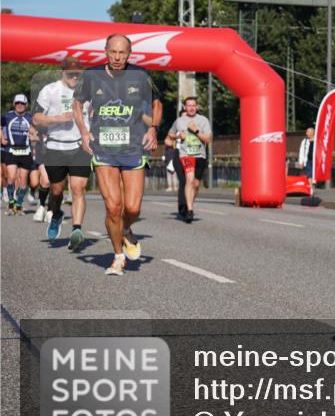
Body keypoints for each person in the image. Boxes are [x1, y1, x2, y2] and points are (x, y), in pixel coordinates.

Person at [74, 34, 161, 276]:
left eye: (122, 53)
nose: (117, 57)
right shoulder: (91, 75)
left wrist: (153, 128)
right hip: (103, 149)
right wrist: (83, 132)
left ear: (129, 53)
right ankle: (118, 257)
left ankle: (124, 230)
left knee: (132, 209)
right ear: (105, 51)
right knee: (113, 207)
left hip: (133, 148)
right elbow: (77, 104)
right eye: (113, 52)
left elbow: (156, 102)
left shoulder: (141, 75)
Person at [33, 58, 91, 248]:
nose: (75, 77)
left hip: (80, 147)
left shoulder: (88, 90)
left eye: (78, 74)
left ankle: (76, 229)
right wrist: (57, 118)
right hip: (56, 147)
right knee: (56, 191)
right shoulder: (50, 90)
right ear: (62, 72)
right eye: (70, 74)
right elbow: (36, 117)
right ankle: (56, 214)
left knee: (77, 189)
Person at [168, 96, 212, 223]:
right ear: (184, 107)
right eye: (189, 105)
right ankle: (190, 210)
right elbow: (170, 133)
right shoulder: (180, 121)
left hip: (200, 155)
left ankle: (189, 203)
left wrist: (196, 131)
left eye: (194, 105)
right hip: (186, 154)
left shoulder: (203, 120)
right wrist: (177, 135)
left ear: (197, 107)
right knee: (189, 179)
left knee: (196, 184)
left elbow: (208, 139)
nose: (191, 108)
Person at [2, 94, 35, 215]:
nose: (19, 105)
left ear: (26, 105)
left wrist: (35, 137)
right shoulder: (7, 116)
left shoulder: (30, 117)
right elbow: (1, 127)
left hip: (26, 151)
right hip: (11, 149)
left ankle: (19, 205)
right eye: (17, 103)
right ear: (14, 104)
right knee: (11, 177)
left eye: (22, 103)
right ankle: (11, 204)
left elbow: (36, 130)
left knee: (23, 180)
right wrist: (2, 137)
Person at [27, 126, 51, 222]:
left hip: (58, 156)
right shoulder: (40, 123)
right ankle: (41, 206)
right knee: (44, 181)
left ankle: (50, 210)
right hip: (41, 156)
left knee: (56, 185)